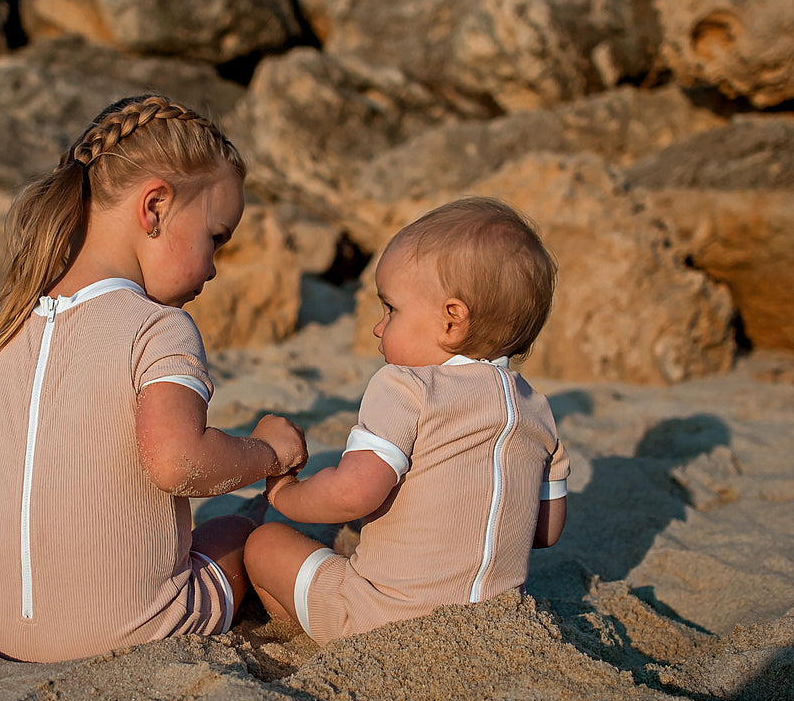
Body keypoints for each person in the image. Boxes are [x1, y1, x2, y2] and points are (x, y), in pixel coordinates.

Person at [0, 94, 307, 663]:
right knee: (241, 533)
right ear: (155, 207)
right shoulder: (158, 327)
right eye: (215, 237)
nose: (213, 266)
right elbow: (176, 463)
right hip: (124, 631)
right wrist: (268, 452)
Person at [244, 196, 569, 644]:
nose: (379, 327)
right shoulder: (539, 412)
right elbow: (546, 531)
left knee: (266, 545)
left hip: (384, 622)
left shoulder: (406, 386)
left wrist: (285, 493)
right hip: (495, 630)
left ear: (452, 321)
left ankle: (304, 636)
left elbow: (352, 493)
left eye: (390, 309)